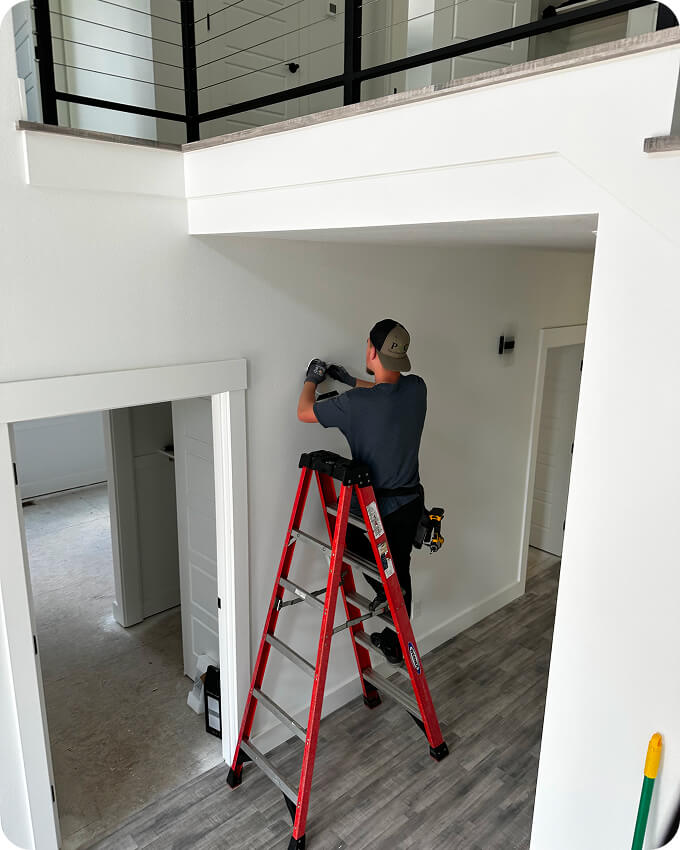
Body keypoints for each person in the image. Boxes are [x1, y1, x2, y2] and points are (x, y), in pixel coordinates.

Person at [297, 319, 426, 664]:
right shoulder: (417, 389)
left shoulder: (355, 405)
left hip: (376, 510)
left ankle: (396, 638)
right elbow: (383, 390)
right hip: (411, 503)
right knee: (401, 571)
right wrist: (349, 380)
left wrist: (313, 378)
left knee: (378, 569)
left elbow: (304, 412)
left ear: (370, 350)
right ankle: (397, 636)